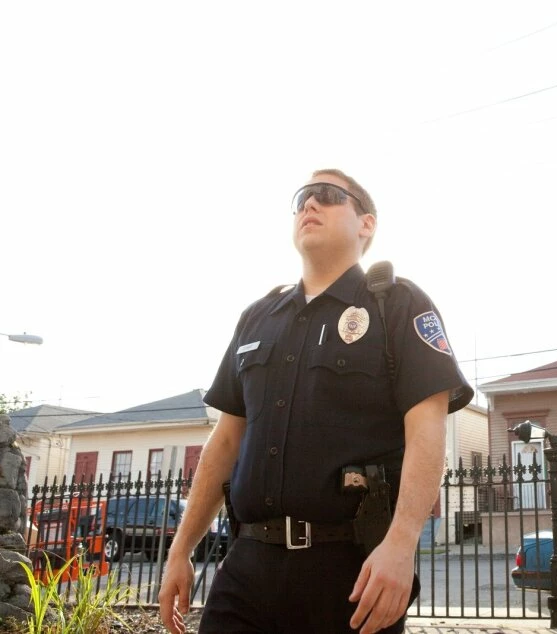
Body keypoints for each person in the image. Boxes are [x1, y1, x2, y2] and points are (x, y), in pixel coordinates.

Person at [158, 168, 473, 634]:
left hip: (350, 573)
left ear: (366, 223)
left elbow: (427, 432)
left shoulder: (397, 304)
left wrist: (402, 545)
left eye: (326, 195)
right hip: (247, 567)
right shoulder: (257, 317)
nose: (309, 204)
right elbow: (224, 442)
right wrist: (181, 549)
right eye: (302, 197)